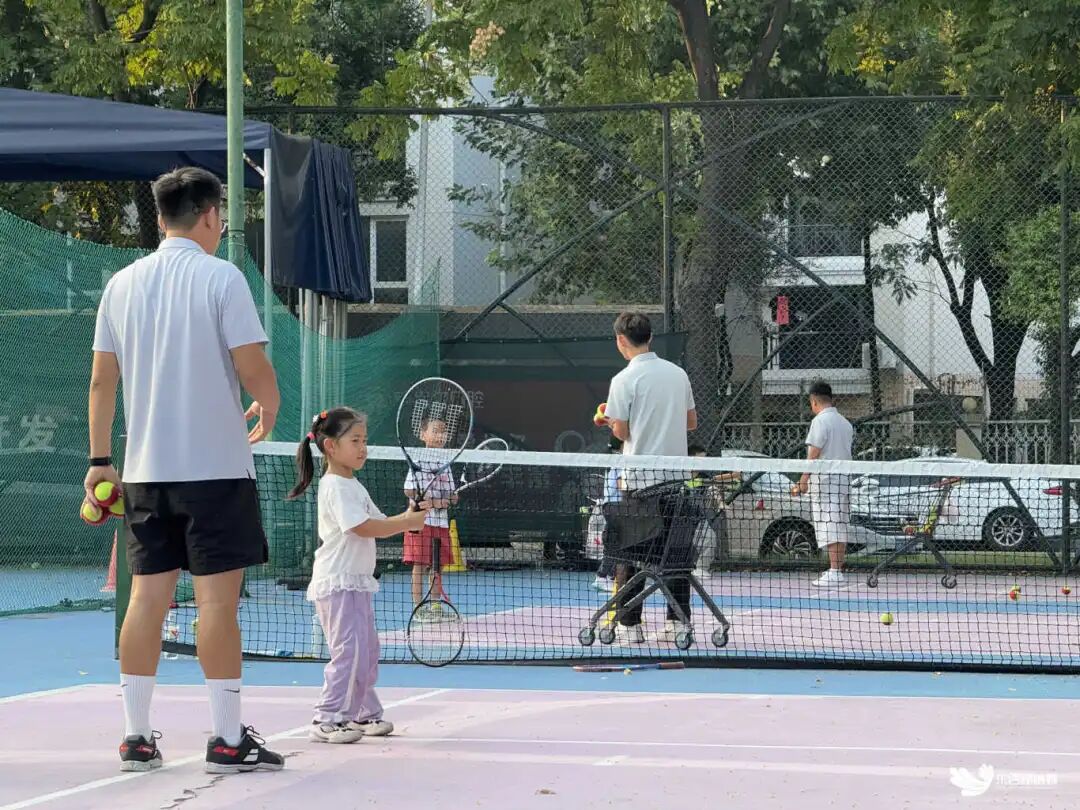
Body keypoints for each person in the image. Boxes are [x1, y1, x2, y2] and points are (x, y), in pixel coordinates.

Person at [85, 167, 284, 773]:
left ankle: (135, 738)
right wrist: (270, 403)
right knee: (217, 606)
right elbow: (251, 364)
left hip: (145, 472)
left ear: (159, 216)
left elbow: (101, 381)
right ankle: (226, 740)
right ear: (210, 215)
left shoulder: (121, 284)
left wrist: (99, 461)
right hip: (216, 471)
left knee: (146, 599)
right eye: (221, 215)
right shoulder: (222, 278)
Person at [289, 407, 428, 743]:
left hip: (357, 583)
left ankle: (363, 714)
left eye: (364, 440)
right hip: (337, 582)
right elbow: (362, 527)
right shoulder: (335, 486)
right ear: (330, 446)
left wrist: (409, 517)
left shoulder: (353, 485)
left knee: (366, 651)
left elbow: (380, 522)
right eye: (355, 440)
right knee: (348, 652)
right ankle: (327, 718)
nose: (363, 447)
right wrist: (406, 523)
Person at [602, 311, 697, 644]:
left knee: (631, 555)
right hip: (677, 484)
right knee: (676, 555)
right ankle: (678, 624)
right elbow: (691, 423)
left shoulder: (623, 380)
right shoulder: (678, 374)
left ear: (620, 340)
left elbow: (622, 431)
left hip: (640, 484)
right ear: (650, 337)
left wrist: (609, 420)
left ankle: (630, 626)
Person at [790, 381, 854, 587]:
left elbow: (814, 453)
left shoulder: (819, 421)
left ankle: (835, 571)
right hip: (843, 482)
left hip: (826, 483)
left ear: (813, 401)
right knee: (839, 524)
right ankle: (836, 570)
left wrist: (803, 481)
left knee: (830, 525)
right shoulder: (845, 423)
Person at [404, 417, 459, 620]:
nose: (440, 435)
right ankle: (419, 608)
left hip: (440, 523)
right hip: (419, 522)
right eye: (435, 431)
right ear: (423, 435)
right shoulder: (418, 459)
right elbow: (409, 490)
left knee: (438, 566)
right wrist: (431, 501)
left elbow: (451, 495)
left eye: (444, 432)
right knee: (419, 564)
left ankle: (435, 606)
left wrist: (447, 500)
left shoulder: (446, 462)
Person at [591, 436, 623, 592]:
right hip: (615, 508)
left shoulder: (615, 460)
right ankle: (602, 576)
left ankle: (610, 576)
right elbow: (622, 485)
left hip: (614, 507)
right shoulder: (620, 460)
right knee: (614, 544)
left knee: (619, 543)